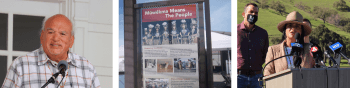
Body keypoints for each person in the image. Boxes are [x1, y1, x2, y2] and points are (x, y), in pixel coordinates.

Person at [2, 14, 100, 88]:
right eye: (51, 32)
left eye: (62, 34)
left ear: (71, 41)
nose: (56, 38)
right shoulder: (20, 65)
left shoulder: (87, 68)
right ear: (42, 37)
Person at [264, 11, 315, 76]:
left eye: (297, 27)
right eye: (290, 26)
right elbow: (267, 73)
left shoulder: (309, 49)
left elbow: (320, 70)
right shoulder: (273, 50)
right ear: (285, 30)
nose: (293, 29)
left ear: (301, 31)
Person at [237, 3, 269, 88]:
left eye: (256, 13)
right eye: (251, 12)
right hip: (239, 77)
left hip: (257, 77)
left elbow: (266, 54)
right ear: (244, 14)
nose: (254, 14)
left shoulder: (262, 33)